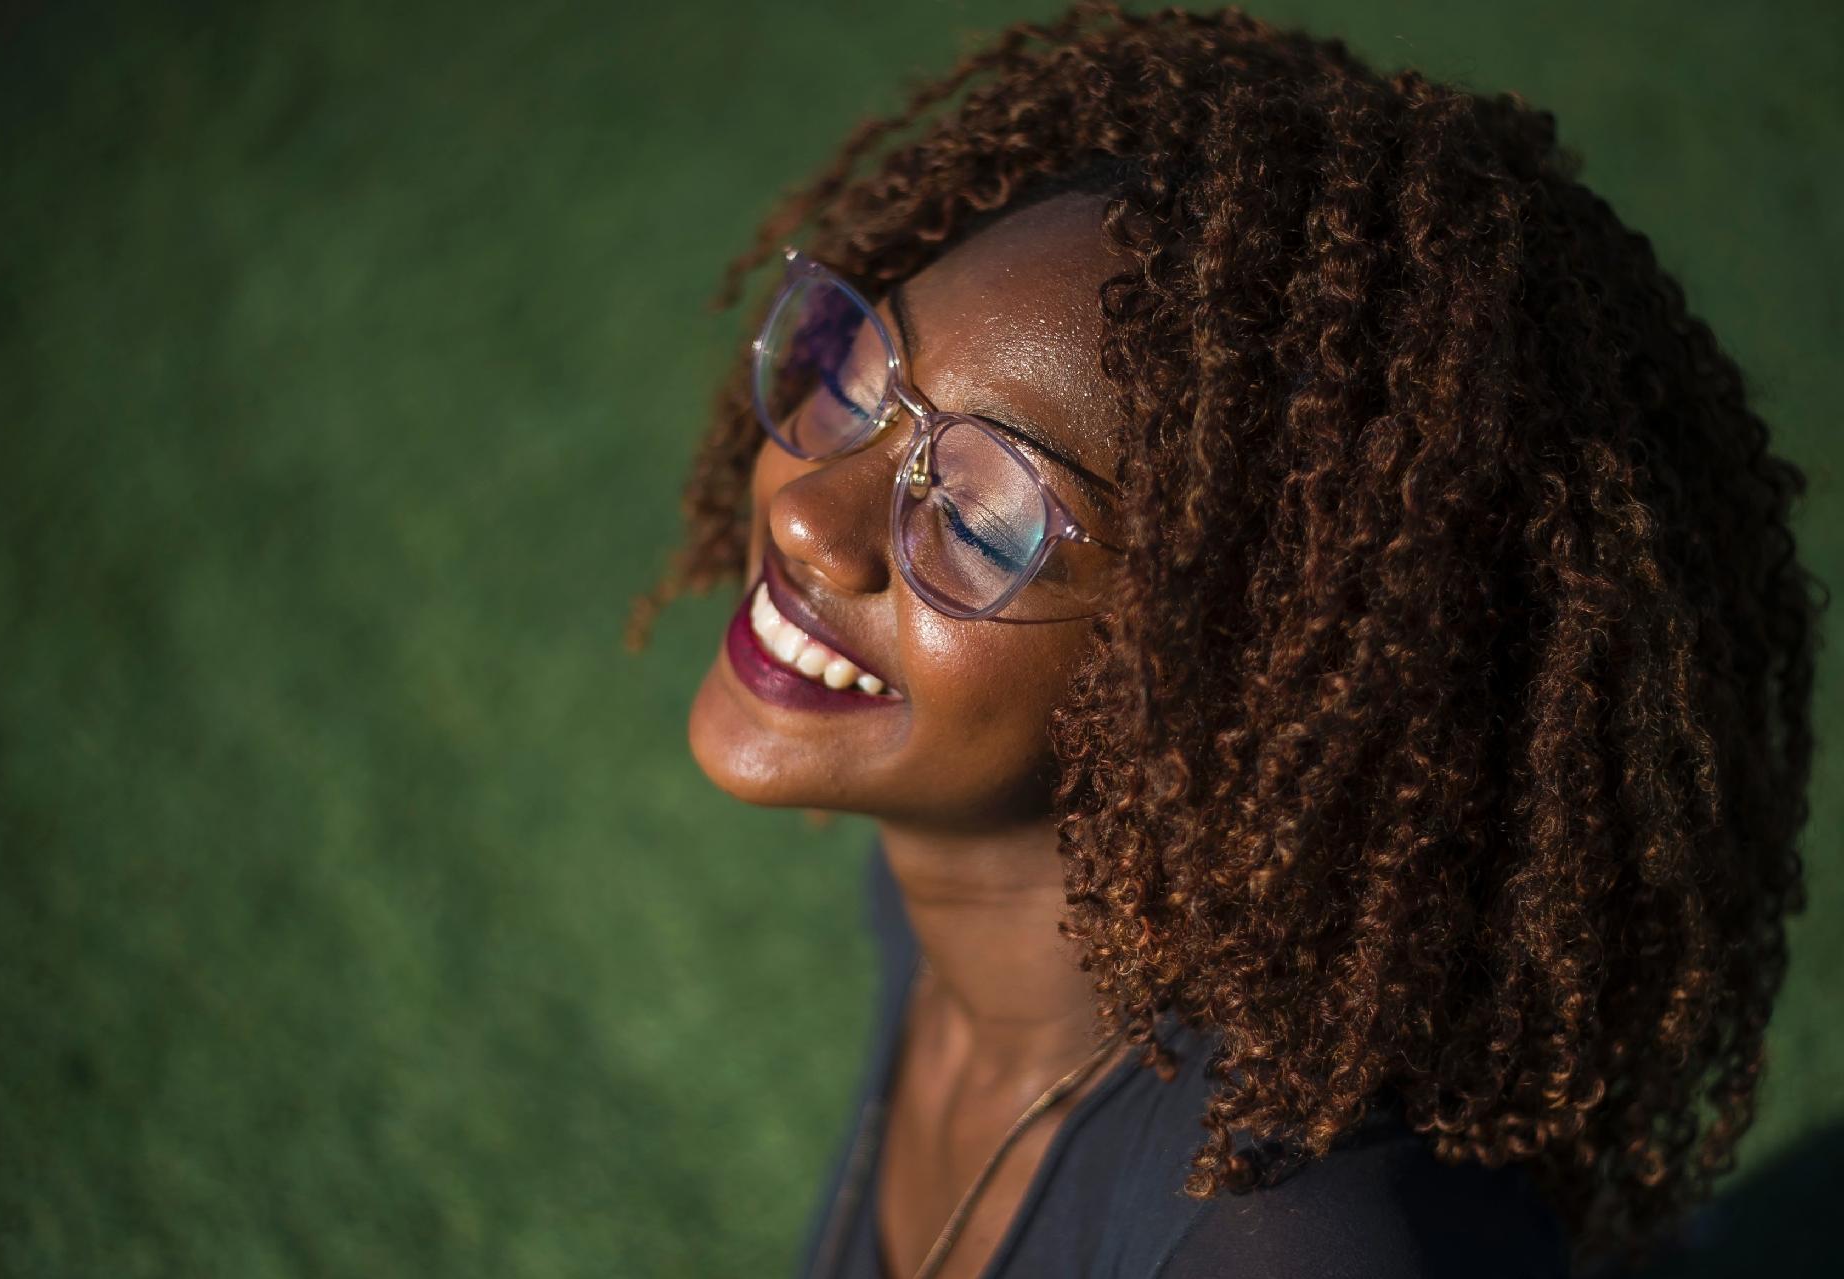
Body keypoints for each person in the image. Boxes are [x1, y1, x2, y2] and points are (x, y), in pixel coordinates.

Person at [628, 4, 1823, 1276]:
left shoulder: (1290, 1241)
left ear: (1228, 684)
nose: (811, 513)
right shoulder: (953, 900)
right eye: (862, 378)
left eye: (982, 519)